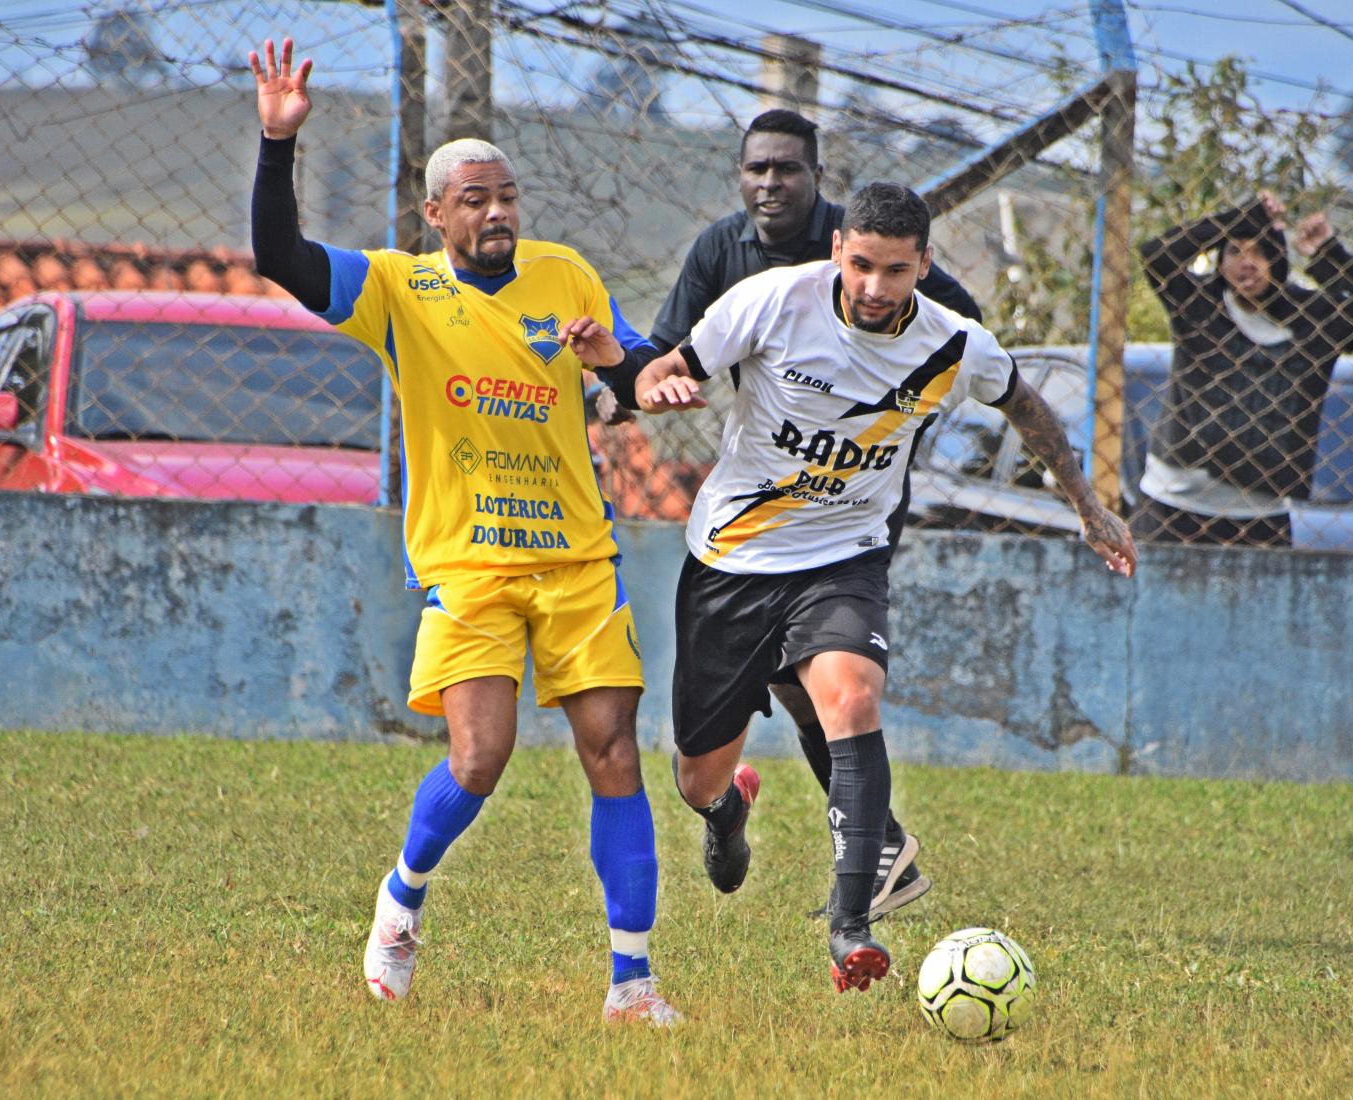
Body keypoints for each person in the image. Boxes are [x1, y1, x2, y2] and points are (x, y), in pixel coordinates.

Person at [247, 38, 678, 1026]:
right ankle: (400, 899)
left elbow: (629, 372)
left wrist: (627, 360)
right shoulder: (397, 289)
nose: (497, 213)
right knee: (478, 759)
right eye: (475, 199)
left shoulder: (565, 274)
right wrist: (278, 146)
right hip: (471, 565)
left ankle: (632, 983)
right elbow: (280, 259)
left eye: (508, 195)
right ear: (436, 213)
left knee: (612, 752)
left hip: (576, 559)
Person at [632, 182, 1137, 992]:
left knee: (853, 700)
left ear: (924, 266)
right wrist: (657, 385)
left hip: (843, 558)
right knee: (697, 778)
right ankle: (728, 813)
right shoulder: (770, 302)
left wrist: (1087, 503)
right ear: (838, 251)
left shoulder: (954, 343)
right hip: (732, 561)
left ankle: (850, 924)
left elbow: (1029, 407)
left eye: (895, 271)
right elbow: (670, 363)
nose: (874, 287)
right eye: (861, 264)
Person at [598, 109, 986, 924]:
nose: (770, 183)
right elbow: (671, 352)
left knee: (836, 685)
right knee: (711, 761)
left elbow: (957, 338)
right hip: (748, 529)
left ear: (819, 183)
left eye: (787, 169)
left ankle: (873, 862)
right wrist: (623, 391)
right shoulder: (725, 253)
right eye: (755, 169)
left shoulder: (871, 252)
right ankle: (729, 811)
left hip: (845, 521)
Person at [1134, 189, 1353, 546]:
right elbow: (1157, 256)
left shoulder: (1313, 323)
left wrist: (1328, 255)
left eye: (1260, 252)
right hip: (1170, 505)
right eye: (1235, 251)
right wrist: (1237, 217)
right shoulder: (1199, 306)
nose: (1246, 262)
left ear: (1279, 259)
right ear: (1220, 260)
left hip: (1258, 517)